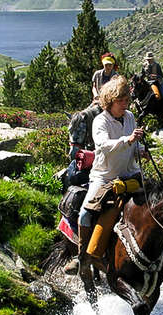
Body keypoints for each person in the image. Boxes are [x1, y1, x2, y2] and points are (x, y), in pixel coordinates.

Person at [64, 75, 146, 275]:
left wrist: (140, 148)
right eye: (121, 100)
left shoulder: (130, 117)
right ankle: (82, 257)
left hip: (130, 173)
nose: (125, 104)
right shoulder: (100, 121)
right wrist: (128, 140)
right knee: (85, 212)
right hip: (104, 176)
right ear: (109, 101)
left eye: (127, 100)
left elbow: (133, 144)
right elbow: (103, 146)